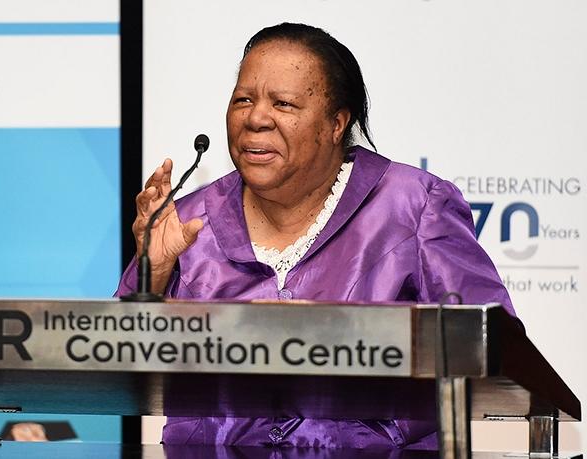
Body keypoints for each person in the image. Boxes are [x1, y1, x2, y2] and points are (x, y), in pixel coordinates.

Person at [116, 23, 514, 449]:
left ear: (336, 123)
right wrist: (153, 275)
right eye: (243, 99)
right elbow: (117, 367)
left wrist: (374, 426)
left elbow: (494, 346)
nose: (255, 118)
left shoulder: (413, 206)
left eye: (283, 103)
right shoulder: (187, 222)